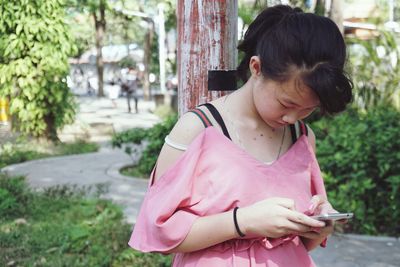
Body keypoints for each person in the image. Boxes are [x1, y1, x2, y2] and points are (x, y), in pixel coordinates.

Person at [129, 5, 353, 267]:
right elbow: (157, 232)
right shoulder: (198, 128)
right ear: (256, 68)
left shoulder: (302, 136)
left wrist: (318, 227)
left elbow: (300, 245)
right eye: (286, 103)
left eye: (308, 109)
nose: (292, 118)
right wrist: (242, 221)